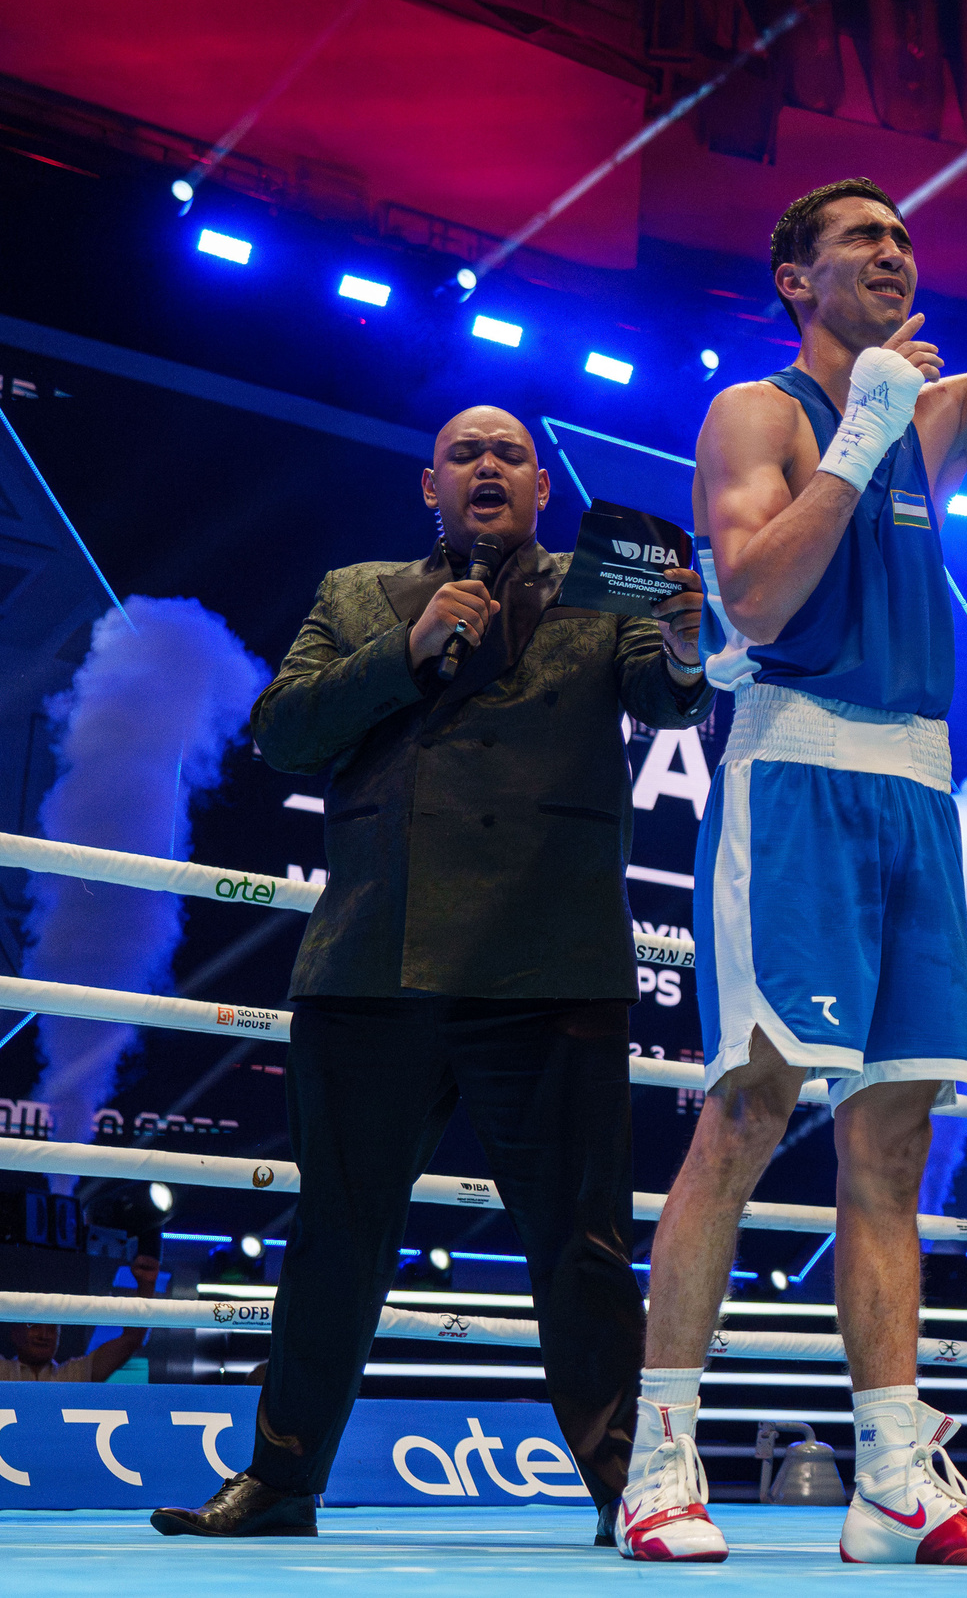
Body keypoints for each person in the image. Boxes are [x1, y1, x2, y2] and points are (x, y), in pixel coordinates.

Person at [612, 8, 967, 1570]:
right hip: (796, 774)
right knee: (747, 1109)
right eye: (863, 237)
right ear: (799, 278)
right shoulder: (761, 413)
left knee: (894, 1141)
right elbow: (757, 598)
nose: (896, 252)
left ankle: (895, 1474)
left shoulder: (931, 413)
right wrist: (859, 429)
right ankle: (659, 1460)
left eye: (905, 235)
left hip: (917, 790)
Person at [150, 405, 710, 1542]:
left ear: (542, 488)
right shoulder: (358, 593)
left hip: (554, 961)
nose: (487, 466)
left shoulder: (606, 589)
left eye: (509, 454)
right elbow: (283, 731)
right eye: (465, 453)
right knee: (336, 1233)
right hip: (373, 959)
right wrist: (407, 651)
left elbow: (667, 694)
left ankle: (630, 1490)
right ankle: (281, 1480)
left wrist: (690, 646)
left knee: (584, 1245)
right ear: (430, 485)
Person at [4, 1258, 158, 1380]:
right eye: (34, 1326)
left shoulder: (74, 1375)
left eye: (52, 1329)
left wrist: (146, 1284)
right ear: (15, 1332)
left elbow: (132, 1340)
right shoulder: (2, 1371)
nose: (44, 1335)